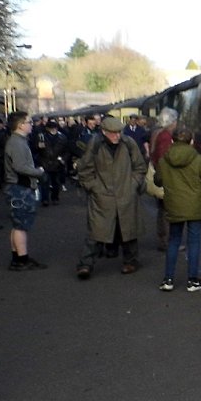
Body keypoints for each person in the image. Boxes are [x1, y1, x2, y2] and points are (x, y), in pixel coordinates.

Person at [74, 114, 147, 279]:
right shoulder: (95, 145)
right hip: (102, 195)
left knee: (128, 230)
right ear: (104, 132)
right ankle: (85, 264)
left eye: (119, 132)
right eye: (113, 133)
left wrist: (133, 184)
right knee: (96, 231)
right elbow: (85, 170)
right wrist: (94, 188)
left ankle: (131, 261)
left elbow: (139, 167)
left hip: (125, 192)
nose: (117, 136)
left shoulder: (129, 144)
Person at [154, 125, 201, 292]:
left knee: (174, 240)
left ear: (173, 140)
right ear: (191, 141)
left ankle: (168, 279)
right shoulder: (198, 159)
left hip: (174, 205)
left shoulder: (164, 160)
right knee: (194, 242)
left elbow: (157, 181)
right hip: (195, 205)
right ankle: (192, 280)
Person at [3, 112, 47, 270]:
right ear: (20, 125)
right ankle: (22, 259)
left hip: (17, 187)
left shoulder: (17, 141)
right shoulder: (17, 143)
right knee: (21, 225)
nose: (32, 124)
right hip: (19, 188)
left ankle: (18, 257)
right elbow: (20, 167)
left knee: (17, 224)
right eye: (29, 122)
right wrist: (39, 171)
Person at [148, 108, 178, 250]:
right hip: (165, 178)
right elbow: (163, 157)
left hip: (157, 174)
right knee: (168, 211)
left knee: (162, 210)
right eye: (175, 121)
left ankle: (164, 240)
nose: (176, 124)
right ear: (171, 122)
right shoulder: (165, 135)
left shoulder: (156, 132)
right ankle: (168, 242)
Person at [36, 116, 69, 205]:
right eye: (51, 129)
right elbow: (35, 150)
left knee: (56, 183)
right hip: (45, 162)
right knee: (45, 182)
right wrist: (38, 147)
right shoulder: (41, 137)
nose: (53, 130)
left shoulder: (62, 137)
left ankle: (55, 197)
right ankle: (45, 199)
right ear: (47, 129)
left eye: (54, 128)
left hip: (56, 163)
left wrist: (63, 159)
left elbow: (66, 151)